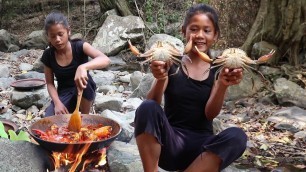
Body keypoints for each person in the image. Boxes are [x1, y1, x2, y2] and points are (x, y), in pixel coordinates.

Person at [134, 3, 247, 172]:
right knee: (147, 107)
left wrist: (223, 85)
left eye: (207, 30)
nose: (199, 35)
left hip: (201, 152)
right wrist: (160, 78)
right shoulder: (173, 62)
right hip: (168, 144)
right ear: (184, 31)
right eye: (194, 29)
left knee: (238, 137)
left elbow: (210, 114)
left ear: (215, 35)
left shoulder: (219, 68)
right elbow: (151, 106)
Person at [41, 11, 110, 117]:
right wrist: (57, 103)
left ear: (68, 31)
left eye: (60, 34)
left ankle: (85, 116)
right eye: (53, 36)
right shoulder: (48, 55)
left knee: (85, 81)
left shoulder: (79, 46)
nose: (57, 40)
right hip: (64, 94)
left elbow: (105, 59)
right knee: (49, 119)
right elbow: (50, 83)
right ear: (48, 37)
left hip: (84, 90)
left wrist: (83, 67)